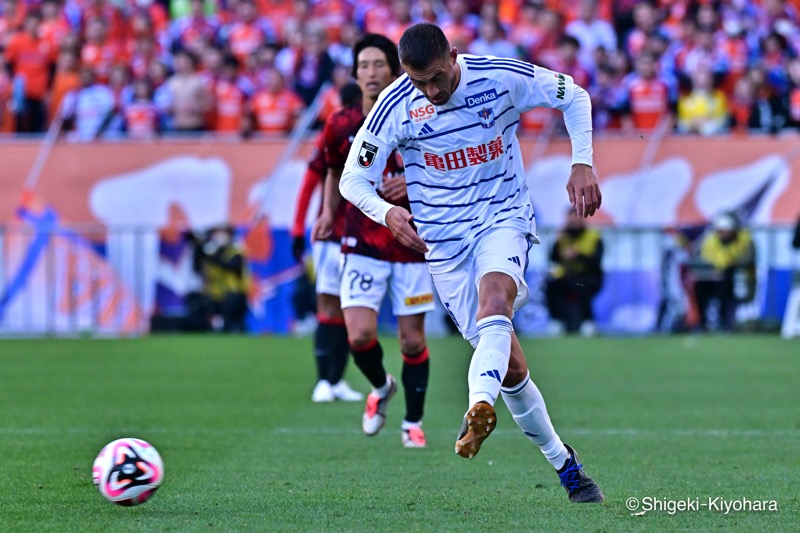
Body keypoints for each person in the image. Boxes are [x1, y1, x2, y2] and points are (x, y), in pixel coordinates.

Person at [339, 23, 604, 501]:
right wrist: (388, 212)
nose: (432, 91)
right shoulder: (396, 106)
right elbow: (353, 180)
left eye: (439, 77)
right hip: (442, 243)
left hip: (502, 218)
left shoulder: (499, 76)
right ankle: (566, 467)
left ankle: (477, 406)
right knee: (512, 369)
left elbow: (574, 94)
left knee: (496, 297)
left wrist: (581, 161)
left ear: (454, 55)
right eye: (420, 82)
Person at [314, 34, 435, 449]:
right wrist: (328, 212)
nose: (370, 73)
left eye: (378, 64)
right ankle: (382, 388)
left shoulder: (419, 116)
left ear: (395, 69)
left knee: (412, 340)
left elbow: (444, 168)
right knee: (361, 336)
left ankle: (412, 423)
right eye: (363, 65)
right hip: (361, 240)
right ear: (355, 73)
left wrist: (416, 185)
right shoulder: (341, 124)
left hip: (410, 244)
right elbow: (333, 170)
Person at [291, 82, 364, 404]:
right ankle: (323, 380)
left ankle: (336, 380)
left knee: (352, 308)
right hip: (331, 236)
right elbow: (309, 182)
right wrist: (297, 229)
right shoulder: (333, 134)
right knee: (328, 304)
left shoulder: (379, 129)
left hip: (364, 235)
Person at [691, 212, 756, 332]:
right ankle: (702, 323)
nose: (724, 234)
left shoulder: (744, 239)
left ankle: (724, 323)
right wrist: (714, 269)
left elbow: (746, 259)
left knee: (725, 286)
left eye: (727, 231)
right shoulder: (710, 240)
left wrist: (724, 267)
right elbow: (703, 257)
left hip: (737, 278)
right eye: (721, 231)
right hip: (713, 277)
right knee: (700, 288)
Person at [545, 208, 604, 335]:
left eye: (576, 219)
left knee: (579, 285)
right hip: (566, 276)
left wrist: (577, 255)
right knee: (552, 284)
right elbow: (552, 258)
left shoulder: (594, 236)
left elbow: (596, 261)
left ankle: (588, 322)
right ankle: (557, 321)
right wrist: (557, 243)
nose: (573, 223)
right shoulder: (562, 236)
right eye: (570, 220)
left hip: (588, 277)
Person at [190, 225, 249, 333]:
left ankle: (230, 328)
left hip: (233, 295)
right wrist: (199, 248)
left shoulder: (236, 251)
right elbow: (196, 269)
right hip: (213, 295)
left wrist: (211, 254)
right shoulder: (208, 252)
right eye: (217, 232)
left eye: (223, 231)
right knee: (198, 305)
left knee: (230, 302)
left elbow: (230, 266)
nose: (220, 235)